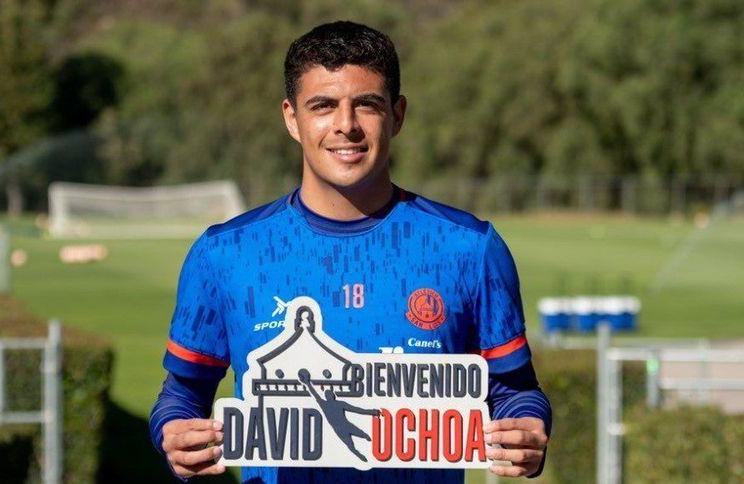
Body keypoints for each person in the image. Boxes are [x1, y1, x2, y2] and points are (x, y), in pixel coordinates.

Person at [150, 21, 551, 483]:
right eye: (323, 105)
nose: (346, 125)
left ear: (397, 115)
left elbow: (515, 391)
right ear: (291, 118)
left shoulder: (470, 248)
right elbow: (182, 394)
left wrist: (528, 430)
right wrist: (173, 434)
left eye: (367, 104)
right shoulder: (223, 253)